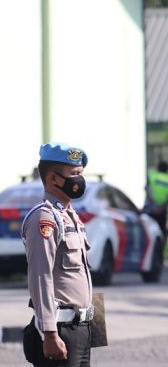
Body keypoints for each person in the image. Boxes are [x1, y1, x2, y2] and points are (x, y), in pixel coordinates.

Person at [21, 142, 93, 366]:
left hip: (81, 329)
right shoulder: (44, 219)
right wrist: (49, 333)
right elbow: (40, 277)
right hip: (59, 331)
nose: (79, 181)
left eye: (81, 174)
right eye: (74, 174)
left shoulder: (72, 216)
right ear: (53, 178)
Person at [143, 160, 168, 241]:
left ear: (158, 168)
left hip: (149, 209)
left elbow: (147, 190)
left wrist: (153, 204)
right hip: (162, 211)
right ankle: (159, 251)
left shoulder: (151, 176)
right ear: (167, 170)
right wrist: (161, 207)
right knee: (161, 233)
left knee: (146, 231)